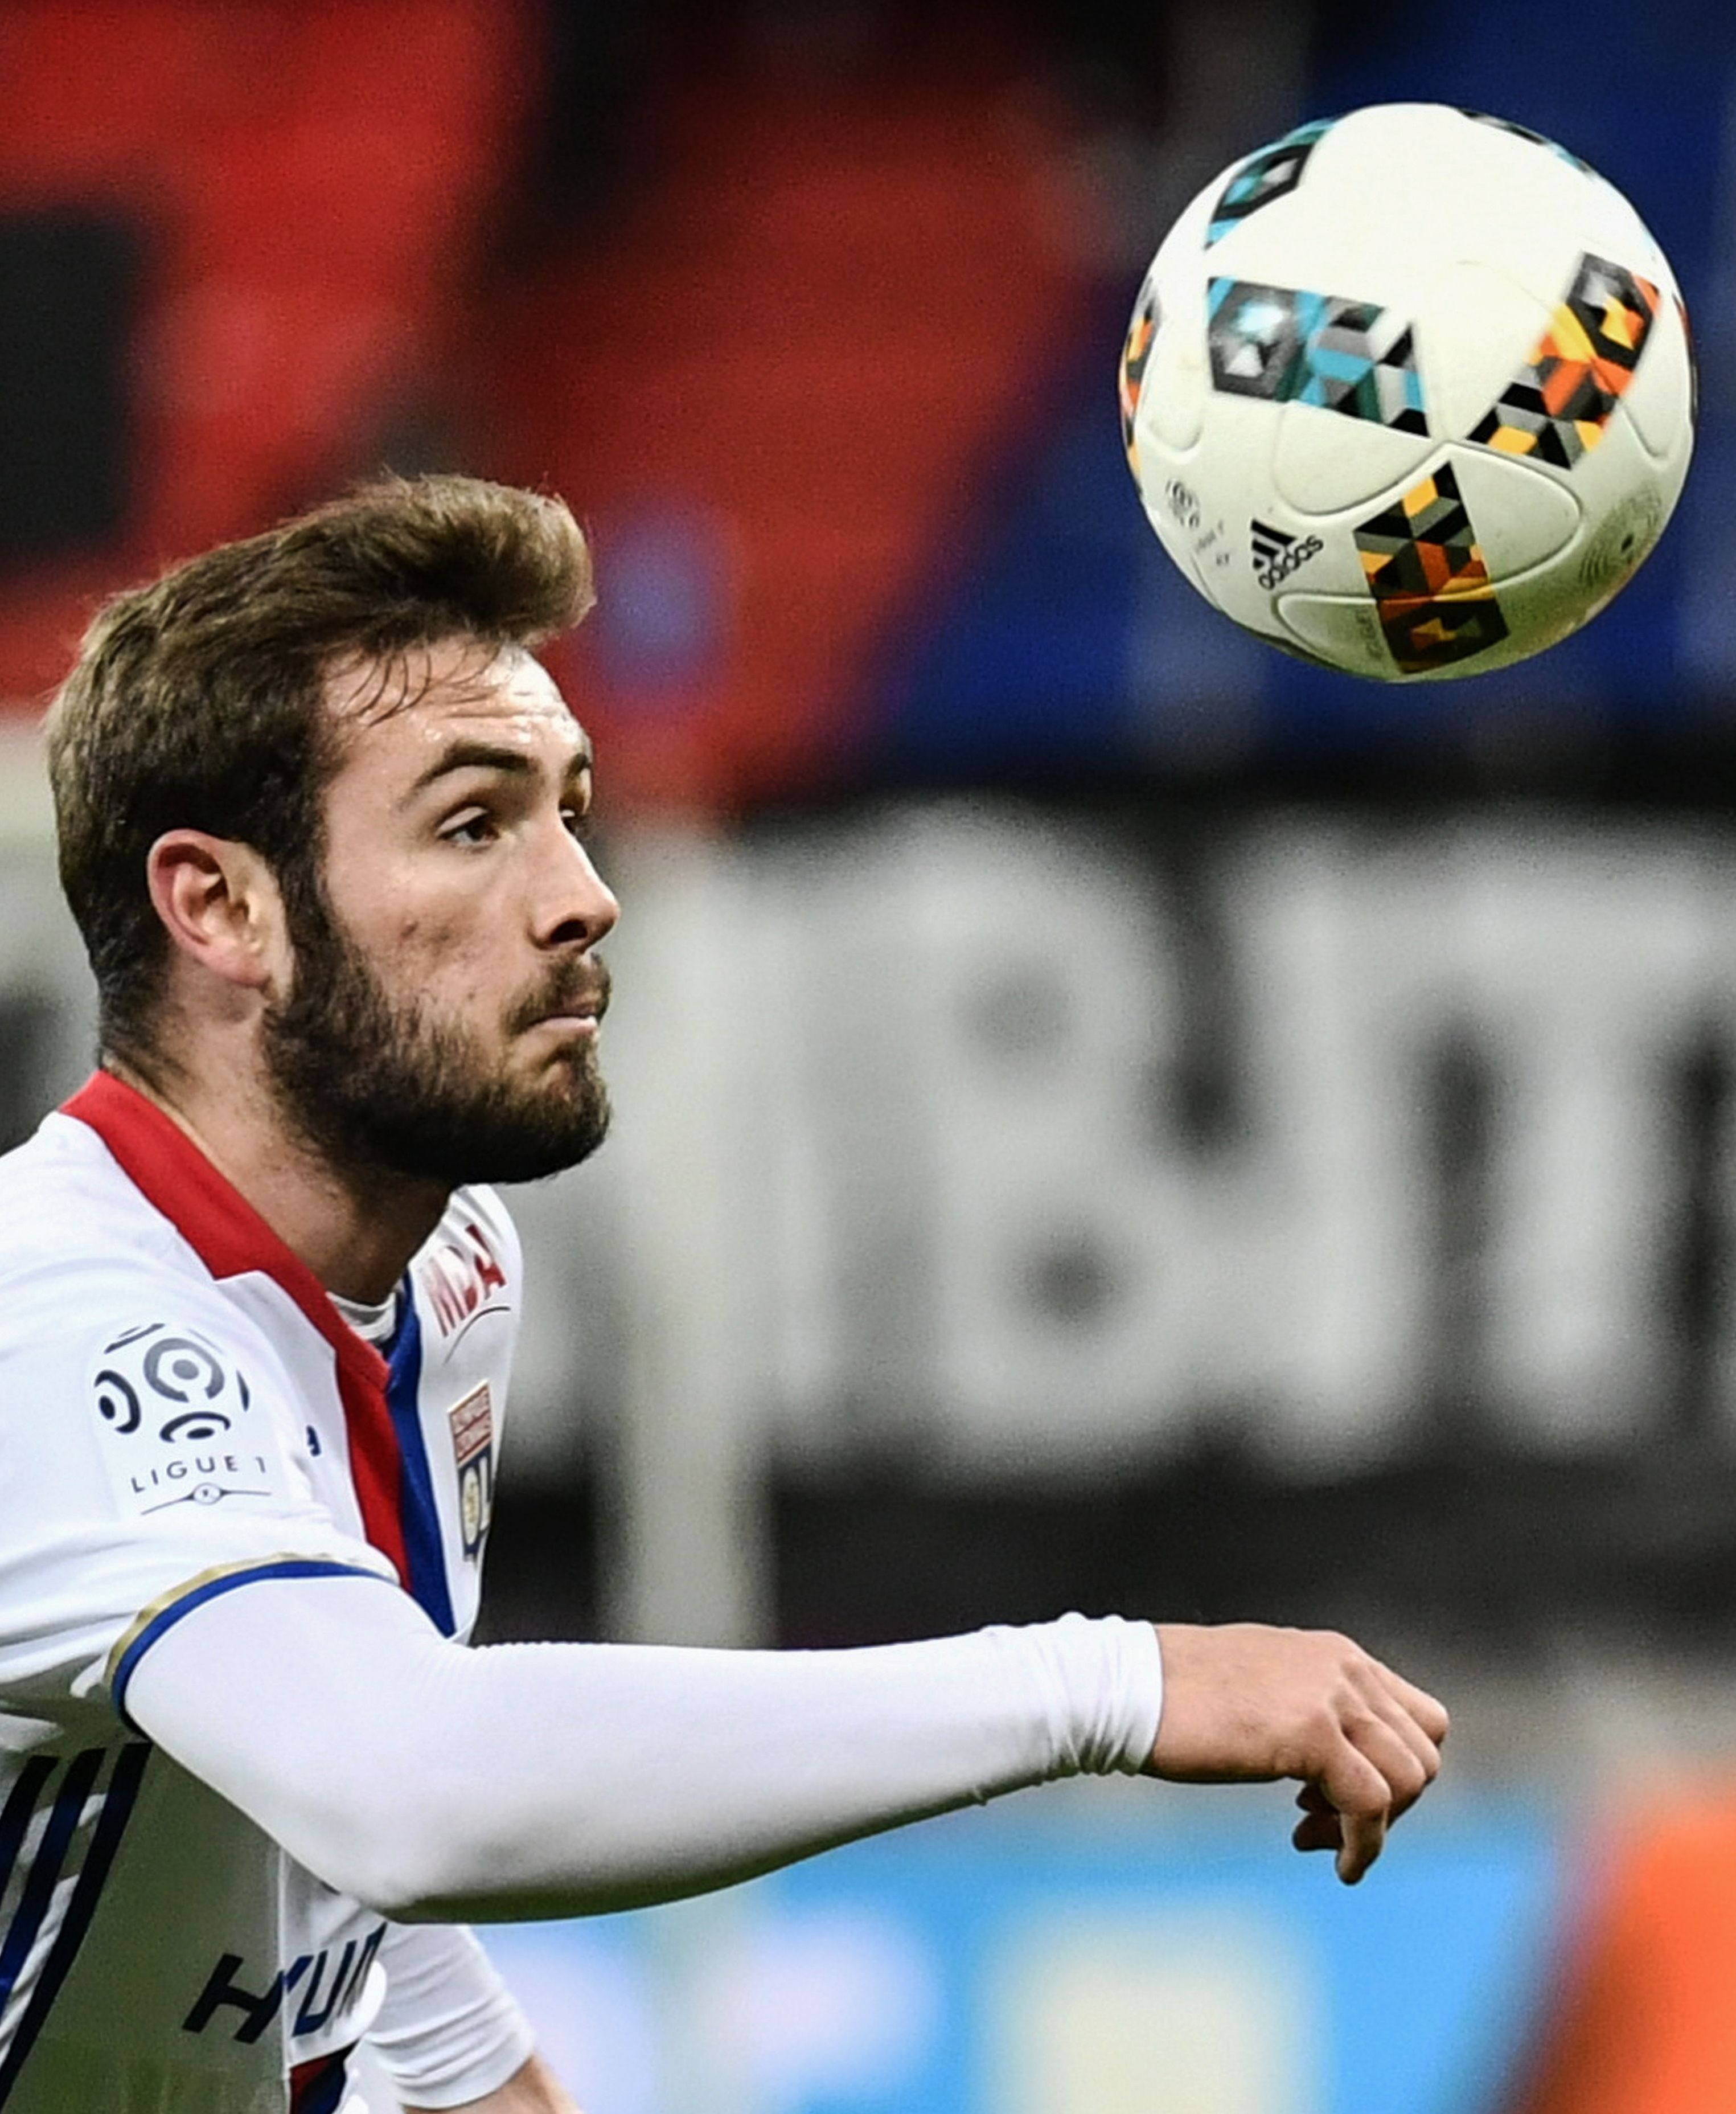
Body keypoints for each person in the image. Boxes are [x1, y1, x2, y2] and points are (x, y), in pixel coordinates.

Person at [0, 476, 1451, 2113]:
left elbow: (289, 1782)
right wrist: (1109, 1684)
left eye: (572, 807)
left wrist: (493, 2088)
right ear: (221, 908)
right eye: (476, 824)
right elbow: (410, 1786)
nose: (583, 893)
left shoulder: (442, 1264)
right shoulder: (61, 1330)